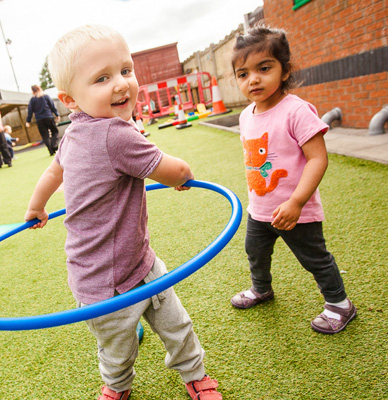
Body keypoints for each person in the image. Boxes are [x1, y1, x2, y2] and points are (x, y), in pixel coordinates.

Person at [24, 25, 222, 400]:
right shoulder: (117, 135)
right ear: (70, 99)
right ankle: (134, 383)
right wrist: (182, 174)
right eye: (102, 78)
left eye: (125, 71)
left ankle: (134, 384)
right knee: (136, 340)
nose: (121, 84)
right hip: (106, 285)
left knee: (161, 329)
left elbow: (53, 172)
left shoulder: (74, 134)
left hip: (133, 267)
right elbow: (176, 172)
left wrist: (37, 205)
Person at [230, 26, 356, 334]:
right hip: (260, 209)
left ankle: (340, 304)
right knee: (255, 252)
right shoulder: (246, 116)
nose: (253, 79)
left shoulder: (296, 111)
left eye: (264, 68)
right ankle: (261, 289)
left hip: (296, 211)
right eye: (243, 74)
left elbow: (318, 158)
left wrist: (297, 201)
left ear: (285, 70)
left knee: (315, 258)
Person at [25, 84, 61, 155]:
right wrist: (57, 114)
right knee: (55, 131)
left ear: (33, 91)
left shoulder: (32, 99)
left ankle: (51, 151)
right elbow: (52, 105)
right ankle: (54, 146)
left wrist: (28, 121)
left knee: (45, 135)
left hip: (39, 120)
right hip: (48, 116)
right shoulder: (45, 96)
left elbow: (30, 111)